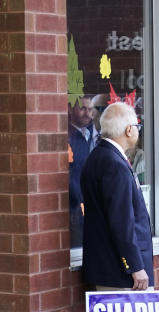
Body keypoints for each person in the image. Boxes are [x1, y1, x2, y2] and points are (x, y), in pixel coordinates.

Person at [81, 102, 157, 312]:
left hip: (109, 267)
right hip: (120, 270)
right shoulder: (113, 163)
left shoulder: (98, 157)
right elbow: (121, 224)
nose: (138, 130)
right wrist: (135, 266)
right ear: (129, 130)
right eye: (136, 125)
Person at [68, 96, 96, 248]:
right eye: (82, 108)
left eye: (90, 109)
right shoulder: (68, 136)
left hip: (90, 204)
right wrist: (78, 201)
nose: (87, 113)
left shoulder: (94, 134)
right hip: (75, 207)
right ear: (70, 109)